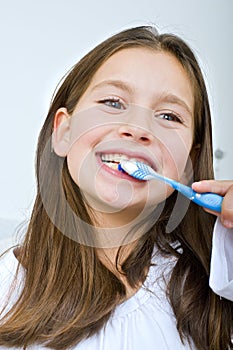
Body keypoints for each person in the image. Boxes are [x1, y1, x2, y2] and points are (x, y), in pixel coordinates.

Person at [0, 25, 232, 350]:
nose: (137, 129)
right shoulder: (6, 287)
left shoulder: (220, 275)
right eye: (113, 102)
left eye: (168, 116)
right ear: (63, 132)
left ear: (188, 162)